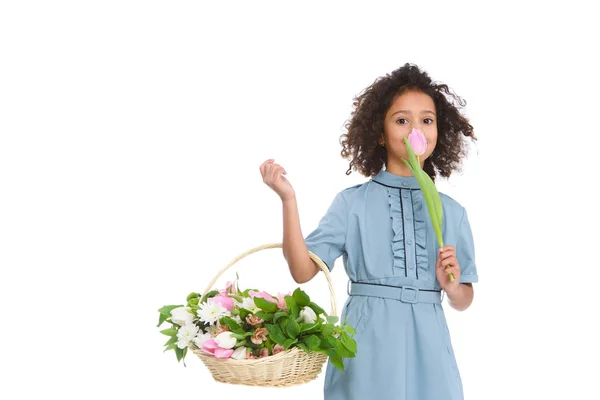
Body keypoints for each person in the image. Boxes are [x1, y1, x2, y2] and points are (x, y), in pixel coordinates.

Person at [259, 63, 478, 400]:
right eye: (402, 120)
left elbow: (464, 299)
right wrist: (288, 200)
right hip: (367, 339)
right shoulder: (351, 203)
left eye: (427, 120)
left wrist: (451, 287)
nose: (416, 129)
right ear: (380, 131)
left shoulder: (453, 211)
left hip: (430, 344)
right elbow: (302, 271)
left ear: (439, 131)